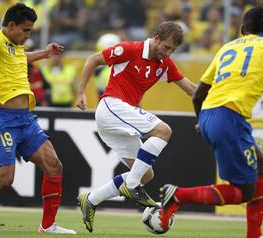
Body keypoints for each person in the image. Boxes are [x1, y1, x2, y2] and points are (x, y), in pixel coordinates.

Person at [159, 7, 263, 238]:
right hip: (229, 118)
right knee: (244, 192)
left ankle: (255, 235)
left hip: (212, 115)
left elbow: (198, 94)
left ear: (242, 30)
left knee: (261, 166)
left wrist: (202, 120)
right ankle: (179, 195)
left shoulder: (226, 48)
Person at [0, 3, 76, 234]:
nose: (28, 35)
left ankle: (48, 226)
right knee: (4, 180)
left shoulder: (15, 46)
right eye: (26, 30)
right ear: (11, 26)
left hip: (26, 120)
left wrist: (45, 53)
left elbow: (20, 57)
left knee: (54, 165)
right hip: (4, 120)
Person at [76, 21, 196, 233]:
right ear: (156, 38)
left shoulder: (165, 64)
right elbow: (93, 59)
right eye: (166, 47)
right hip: (111, 106)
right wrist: (81, 92)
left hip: (119, 119)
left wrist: (217, 98)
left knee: (145, 174)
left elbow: (191, 89)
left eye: (173, 50)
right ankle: (131, 187)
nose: (167, 53)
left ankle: (91, 199)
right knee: (164, 130)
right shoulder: (131, 49)